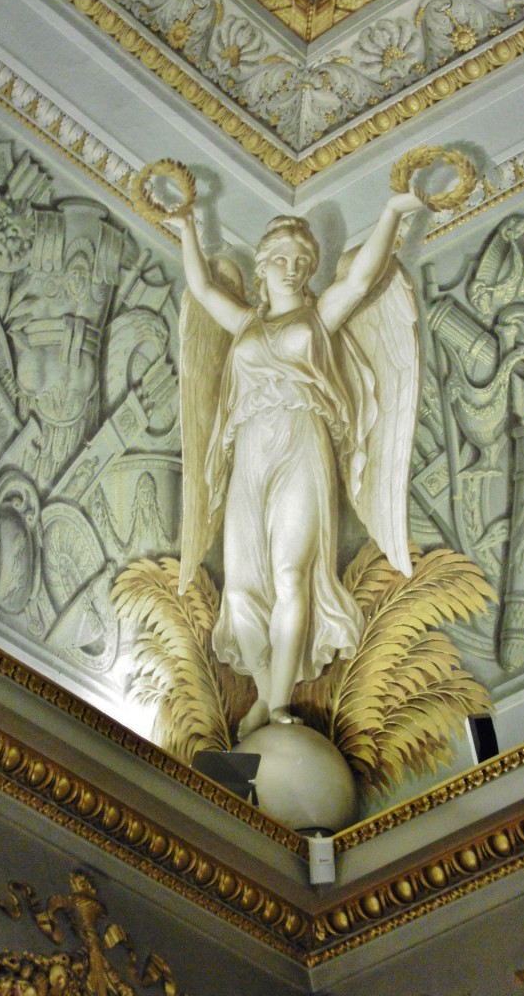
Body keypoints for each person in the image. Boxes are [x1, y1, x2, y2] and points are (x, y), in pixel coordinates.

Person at [169, 190, 424, 738]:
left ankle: (278, 704)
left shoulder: (318, 317)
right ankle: (266, 695)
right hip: (249, 448)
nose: (292, 269)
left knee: (290, 574)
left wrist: (392, 210)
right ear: (261, 268)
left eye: (302, 261)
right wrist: (187, 224)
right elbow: (203, 289)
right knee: (240, 588)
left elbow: (360, 281)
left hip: (303, 442)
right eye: (281, 259)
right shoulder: (243, 324)